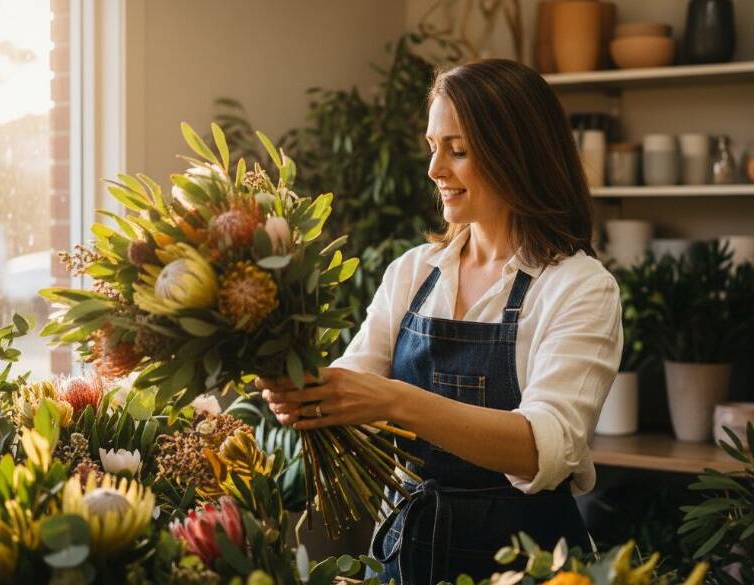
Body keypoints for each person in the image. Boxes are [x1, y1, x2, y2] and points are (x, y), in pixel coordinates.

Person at [259, 58, 623, 585]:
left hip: (529, 565)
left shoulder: (578, 286)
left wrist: (395, 400)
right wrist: (296, 382)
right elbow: (354, 384)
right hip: (406, 554)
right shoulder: (413, 272)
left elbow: (543, 448)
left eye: (458, 150)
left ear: (517, 153)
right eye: (433, 147)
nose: (434, 170)